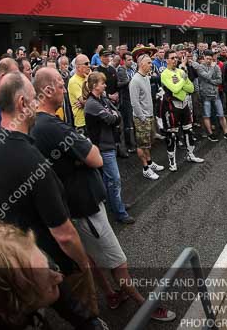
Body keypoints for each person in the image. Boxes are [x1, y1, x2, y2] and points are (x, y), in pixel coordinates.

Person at [30, 68, 175, 322]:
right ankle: (143, 305)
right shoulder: (51, 126)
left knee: (91, 258)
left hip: (75, 204)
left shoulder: (38, 123)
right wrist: (86, 154)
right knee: (118, 261)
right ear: (48, 90)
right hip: (84, 206)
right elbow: (95, 157)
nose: (66, 89)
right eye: (60, 85)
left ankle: (111, 294)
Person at [0, 71, 95, 314]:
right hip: (52, 262)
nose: (37, 104)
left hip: (22, 256)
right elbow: (64, 234)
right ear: (22, 103)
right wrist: (83, 264)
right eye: (34, 98)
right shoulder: (33, 161)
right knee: (83, 313)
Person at [0, 216, 106, 329]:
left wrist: (92, 324)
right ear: (16, 300)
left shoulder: (36, 266)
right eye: (49, 284)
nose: (59, 278)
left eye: (48, 267)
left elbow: (75, 309)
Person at [83, 72, 135, 224]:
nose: (105, 85)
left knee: (109, 179)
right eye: (102, 83)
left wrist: (113, 115)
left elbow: (116, 113)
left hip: (109, 143)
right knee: (114, 179)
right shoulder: (92, 104)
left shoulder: (102, 99)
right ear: (94, 86)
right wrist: (113, 115)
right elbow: (112, 118)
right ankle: (120, 212)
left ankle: (115, 204)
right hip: (103, 147)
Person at [160, 49, 203, 169]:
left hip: (184, 105)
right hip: (171, 106)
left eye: (176, 58)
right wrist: (182, 82)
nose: (175, 60)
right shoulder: (165, 73)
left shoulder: (180, 71)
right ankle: (172, 162)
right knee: (172, 135)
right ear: (167, 60)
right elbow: (174, 89)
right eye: (172, 58)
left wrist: (181, 84)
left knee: (188, 131)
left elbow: (191, 88)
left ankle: (191, 155)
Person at [130, 55, 167, 179]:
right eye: (149, 63)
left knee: (148, 143)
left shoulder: (145, 77)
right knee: (142, 144)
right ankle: (145, 168)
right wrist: (142, 117)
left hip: (149, 116)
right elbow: (134, 103)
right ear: (141, 64)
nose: (151, 65)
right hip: (142, 118)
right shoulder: (135, 80)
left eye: (151, 63)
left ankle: (150, 163)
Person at [191, 51, 227, 142]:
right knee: (207, 115)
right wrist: (212, 70)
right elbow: (207, 76)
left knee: (221, 114)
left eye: (211, 59)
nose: (209, 60)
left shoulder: (216, 67)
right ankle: (210, 134)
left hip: (215, 95)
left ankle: (226, 132)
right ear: (204, 58)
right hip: (205, 95)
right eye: (207, 59)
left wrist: (210, 81)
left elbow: (219, 80)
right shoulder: (200, 67)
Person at [116, 52, 136, 157]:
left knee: (132, 122)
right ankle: (130, 145)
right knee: (128, 123)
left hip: (133, 98)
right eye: (128, 60)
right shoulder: (121, 70)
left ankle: (133, 143)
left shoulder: (132, 69)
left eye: (131, 59)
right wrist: (130, 81)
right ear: (123, 60)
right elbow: (118, 84)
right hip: (125, 99)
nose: (131, 61)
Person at [69, 55, 91, 133]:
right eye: (86, 64)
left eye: (89, 63)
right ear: (78, 67)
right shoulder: (73, 81)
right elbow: (84, 101)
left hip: (93, 118)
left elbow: (100, 95)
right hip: (82, 122)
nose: (89, 65)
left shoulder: (90, 77)